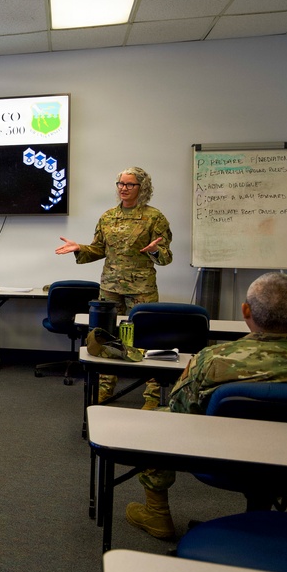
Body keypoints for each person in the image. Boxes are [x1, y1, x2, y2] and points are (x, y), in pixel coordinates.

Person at [125, 272, 287, 540]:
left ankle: (157, 513)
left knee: (157, 419)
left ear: (245, 311)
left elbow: (178, 413)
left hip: (224, 465)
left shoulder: (212, 360)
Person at [55, 166, 172, 408]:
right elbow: (99, 249)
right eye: (121, 184)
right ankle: (104, 388)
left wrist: (155, 251)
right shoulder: (108, 216)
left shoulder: (154, 217)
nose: (124, 188)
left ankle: (152, 395)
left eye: (130, 184)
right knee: (105, 338)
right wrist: (80, 249)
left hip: (141, 288)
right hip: (110, 287)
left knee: (145, 338)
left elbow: (166, 256)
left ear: (142, 188)